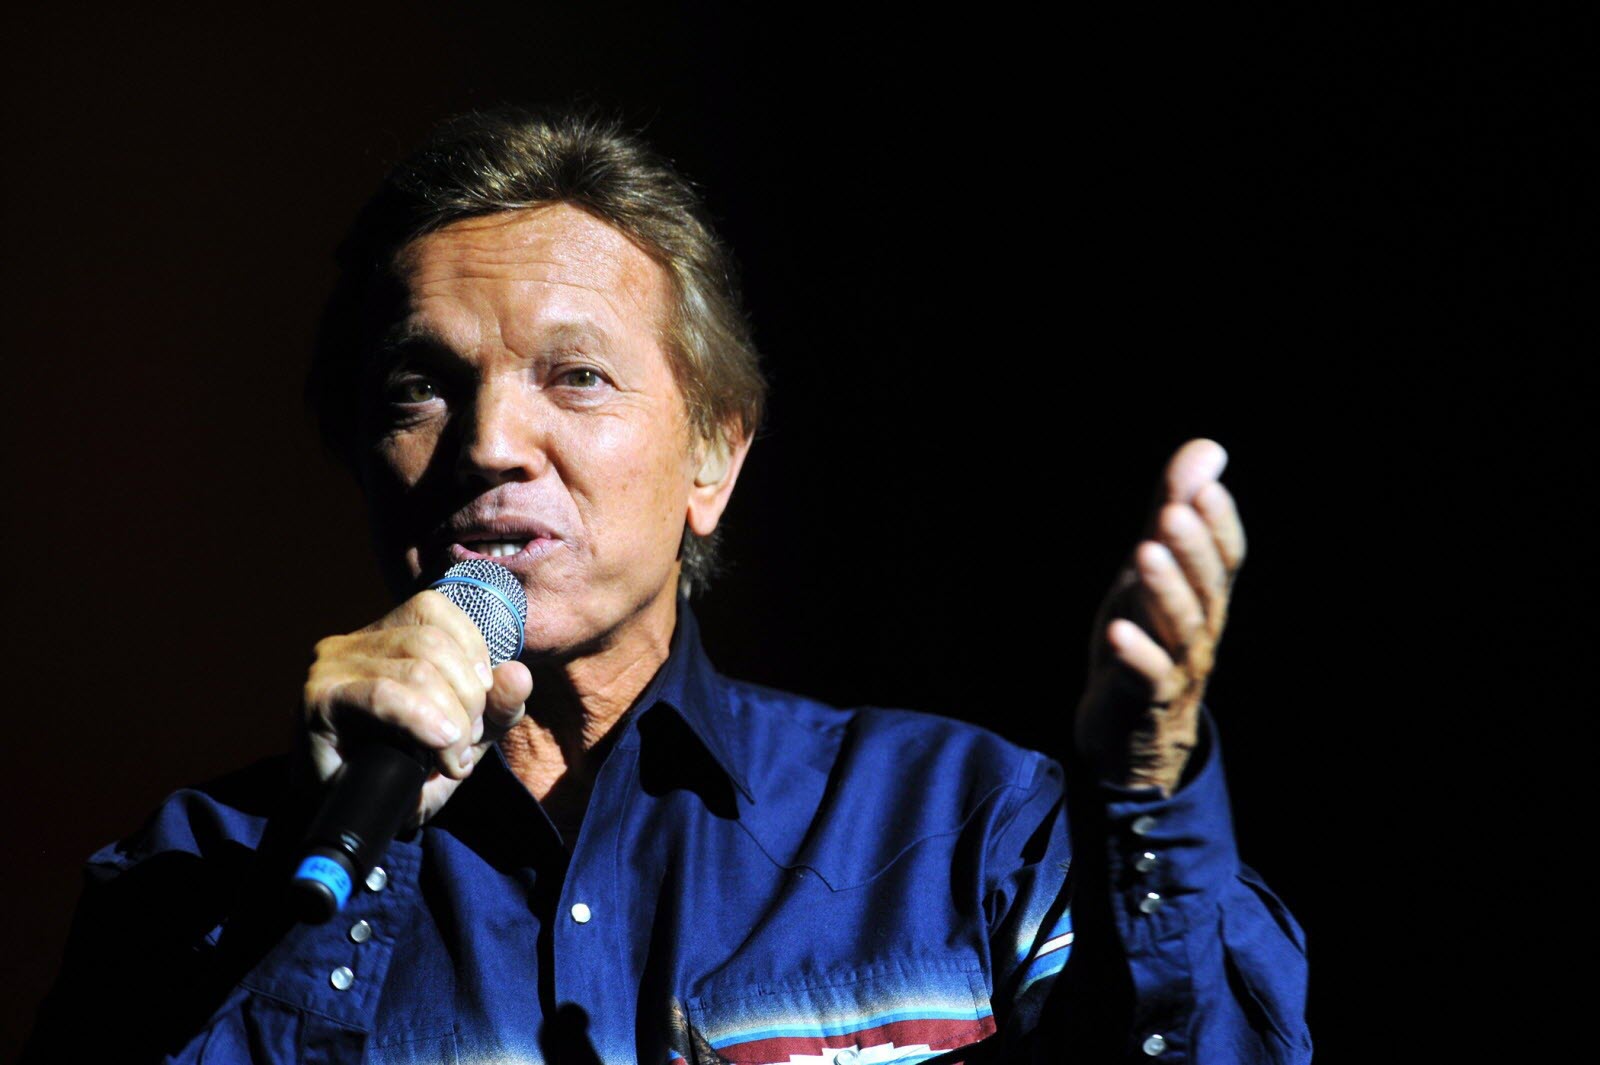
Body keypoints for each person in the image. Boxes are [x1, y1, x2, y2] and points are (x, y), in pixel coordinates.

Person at [26, 108, 1310, 1063]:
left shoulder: (965, 829)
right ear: (360, 460)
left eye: (575, 376)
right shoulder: (194, 881)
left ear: (712, 458)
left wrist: (1149, 796)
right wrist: (318, 887)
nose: (488, 444)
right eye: (421, 388)